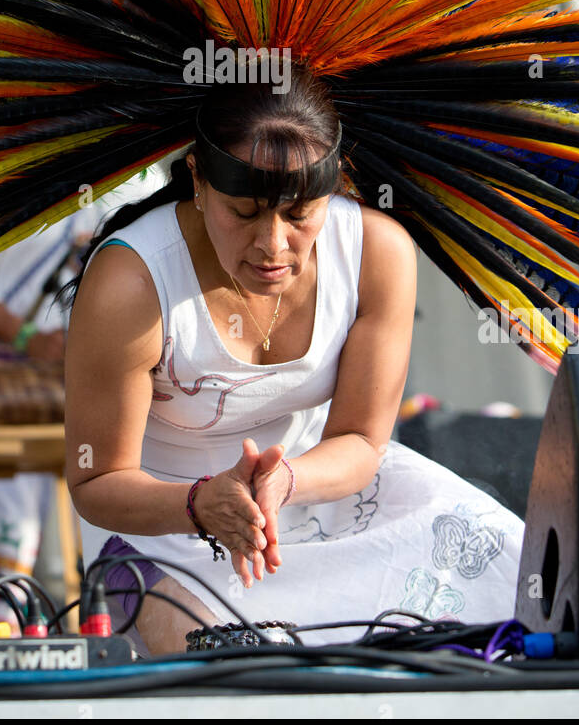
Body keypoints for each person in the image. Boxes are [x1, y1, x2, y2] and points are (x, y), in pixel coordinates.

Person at [65, 71, 525, 655]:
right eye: (245, 212)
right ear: (197, 179)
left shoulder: (378, 251)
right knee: (237, 669)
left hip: (322, 491)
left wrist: (285, 480)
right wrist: (201, 503)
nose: (273, 245)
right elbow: (96, 482)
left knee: (520, 587)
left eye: (301, 213)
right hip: (162, 528)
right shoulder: (131, 281)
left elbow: (361, 439)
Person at [0, 164, 168, 611]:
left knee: (114, 514)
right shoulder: (4, 174)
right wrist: (28, 339)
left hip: (116, 381)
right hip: (14, 378)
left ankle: (113, 640)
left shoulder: (145, 181)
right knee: (2, 526)